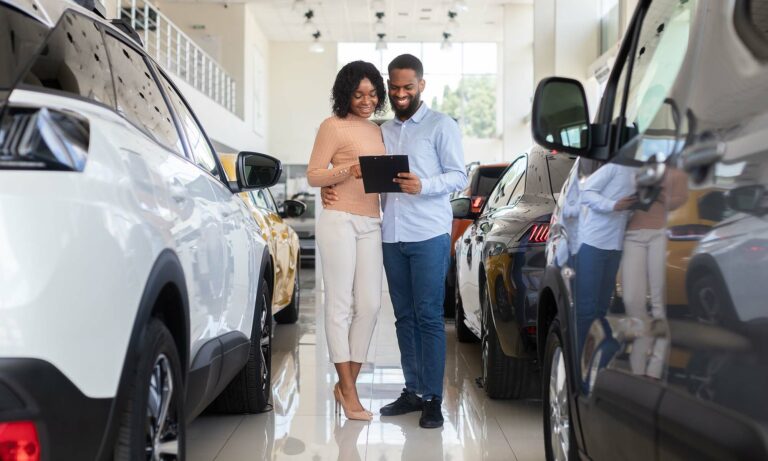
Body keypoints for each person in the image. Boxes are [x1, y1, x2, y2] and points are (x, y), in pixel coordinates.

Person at [323, 54, 467, 428]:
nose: (400, 94)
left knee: (429, 316)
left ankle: (433, 397)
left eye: (408, 87)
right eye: (395, 87)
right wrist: (330, 188)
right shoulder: (382, 130)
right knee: (404, 317)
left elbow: (459, 176)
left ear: (421, 84)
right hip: (391, 234)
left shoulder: (441, 125)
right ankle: (413, 390)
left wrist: (425, 185)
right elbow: (356, 171)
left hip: (429, 234)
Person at [306, 60, 388, 421]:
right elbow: (314, 175)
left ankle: (345, 384)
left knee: (369, 305)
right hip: (339, 220)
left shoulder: (378, 131)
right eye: (358, 94)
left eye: (372, 94)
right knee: (339, 305)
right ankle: (349, 390)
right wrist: (345, 172)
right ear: (346, 94)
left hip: (371, 220)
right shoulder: (332, 126)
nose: (366, 100)